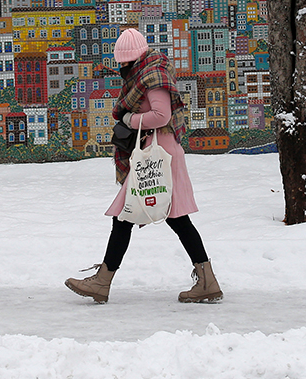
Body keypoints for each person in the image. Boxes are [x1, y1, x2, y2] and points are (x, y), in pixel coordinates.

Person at [64, 28, 223, 304]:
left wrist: (129, 121)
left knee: (128, 216)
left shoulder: (153, 76)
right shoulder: (145, 73)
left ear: (133, 59)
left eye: (124, 62)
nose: (122, 68)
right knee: (175, 219)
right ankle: (207, 280)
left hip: (158, 154)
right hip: (156, 152)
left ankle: (102, 282)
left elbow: (162, 115)